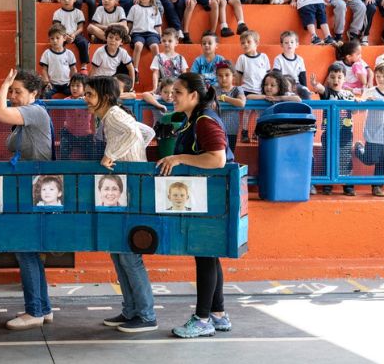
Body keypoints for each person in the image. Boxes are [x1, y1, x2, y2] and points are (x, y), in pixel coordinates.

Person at [156, 72, 234, 338]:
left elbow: (217, 160)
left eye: (177, 92)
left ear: (194, 96)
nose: (171, 96)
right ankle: (218, 314)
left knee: (204, 255)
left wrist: (179, 158)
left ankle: (202, 319)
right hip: (204, 196)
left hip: (211, 196)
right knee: (209, 254)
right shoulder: (193, 121)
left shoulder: (204, 121)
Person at [83, 75, 157, 333]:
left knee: (128, 255)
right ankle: (131, 311)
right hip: (124, 187)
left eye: (90, 94)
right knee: (119, 252)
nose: (86, 99)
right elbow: (147, 132)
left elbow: (134, 132)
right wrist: (134, 153)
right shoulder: (113, 115)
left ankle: (146, 315)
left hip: (129, 189)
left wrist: (112, 155)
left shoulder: (113, 115)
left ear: (104, 96)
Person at [0, 69, 53, 330]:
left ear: (34, 94)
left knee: (25, 249)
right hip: (28, 189)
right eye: (12, 91)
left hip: (37, 189)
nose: (13, 96)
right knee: (29, 251)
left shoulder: (35, 112)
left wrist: (3, 85)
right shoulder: (25, 118)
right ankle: (43, 308)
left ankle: (34, 311)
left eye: (18, 91)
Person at [354, 61, 384, 197]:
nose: (380, 79)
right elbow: (358, 111)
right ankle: (358, 148)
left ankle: (377, 187)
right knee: (370, 159)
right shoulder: (370, 91)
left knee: (383, 165)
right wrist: (360, 102)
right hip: (373, 135)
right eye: (378, 76)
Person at [310, 64, 356, 196]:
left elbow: (356, 110)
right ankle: (327, 184)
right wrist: (315, 84)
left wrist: (358, 103)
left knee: (345, 158)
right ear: (328, 79)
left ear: (344, 79)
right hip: (329, 133)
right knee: (327, 157)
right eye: (332, 77)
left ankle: (348, 185)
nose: (336, 80)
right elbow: (320, 88)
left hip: (345, 134)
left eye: (339, 77)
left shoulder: (348, 94)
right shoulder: (327, 93)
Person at [234, 30, 270, 143]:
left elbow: (268, 76)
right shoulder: (242, 58)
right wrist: (238, 91)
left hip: (260, 92)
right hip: (247, 91)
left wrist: (267, 91)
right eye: (243, 43)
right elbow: (238, 77)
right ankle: (244, 132)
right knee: (247, 112)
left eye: (248, 42)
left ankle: (256, 132)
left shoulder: (264, 57)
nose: (245, 45)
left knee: (260, 113)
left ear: (256, 43)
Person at [127, 0, 163, 71]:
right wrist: (127, 34)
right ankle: (135, 69)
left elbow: (158, 26)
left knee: (155, 46)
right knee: (138, 45)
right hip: (137, 34)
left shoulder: (155, 9)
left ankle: (159, 70)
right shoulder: (134, 8)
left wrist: (160, 36)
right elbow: (130, 23)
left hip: (152, 34)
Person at [53, 0, 89, 73]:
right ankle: (59, 64)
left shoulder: (78, 12)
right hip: (62, 35)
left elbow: (81, 28)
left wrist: (73, 35)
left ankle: (84, 65)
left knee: (83, 42)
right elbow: (57, 28)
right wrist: (65, 36)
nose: (66, 1)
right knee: (57, 42)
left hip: (75, 34)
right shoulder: (57, 13)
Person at [39, 23, 77, 98]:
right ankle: (46, 110)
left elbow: (73, 69)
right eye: (52, 38)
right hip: (52, 84)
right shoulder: (47, 53)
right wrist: (47, 82)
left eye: (57, 38)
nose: (55, 41)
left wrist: (73, 82)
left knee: (76, 93)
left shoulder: (69, 53)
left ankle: (71, 110)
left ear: (64, 38)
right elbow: (44, 70)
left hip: (67, 84)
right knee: (45, 94)